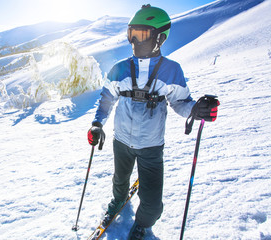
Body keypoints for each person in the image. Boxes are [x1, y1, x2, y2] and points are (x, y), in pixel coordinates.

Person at [87, 4, 220, 240]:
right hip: (122, 142)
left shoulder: (171, 71)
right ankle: (118, 201)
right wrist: (98, 124)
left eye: (142, 34)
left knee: (153, 202)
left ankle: (143, 224)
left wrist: (196, 110)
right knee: (119, 180)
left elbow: (180, 102)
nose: (136, 41)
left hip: (151, 146)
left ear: (160, 38)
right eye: (132, 34)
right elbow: (107, 98)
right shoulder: (120, 69)